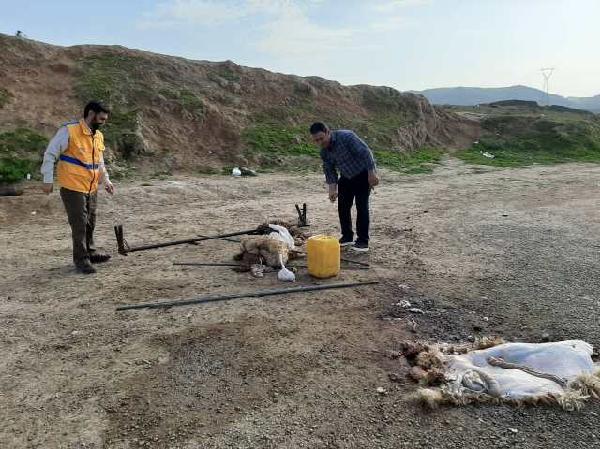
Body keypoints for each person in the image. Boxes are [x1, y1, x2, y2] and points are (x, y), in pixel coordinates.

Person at [41, 101, 115, 274]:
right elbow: (50, 154)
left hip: (91, 187)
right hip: (72, 186)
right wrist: (47, 179)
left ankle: (90, 252)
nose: (103, 122)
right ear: (91, 114)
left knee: (90, 221)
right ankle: (81, 260)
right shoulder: (69, 131)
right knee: (80, 223)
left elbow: (99, 162)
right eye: (101, 118)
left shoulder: (98, 136)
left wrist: (107, 181)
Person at [310, 122, 379, 252]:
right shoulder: (324, 152)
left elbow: (365, 153)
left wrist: (372, 174)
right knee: (343, 206)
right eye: (316, 140)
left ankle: (363, 241)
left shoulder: (346, 137)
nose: (320, 142)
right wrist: (332, 190)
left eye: (321, 138)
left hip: (363, 173)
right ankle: (347, 237)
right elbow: (329, 170)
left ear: (328, 132)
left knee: (361, 206)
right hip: (346, 176)